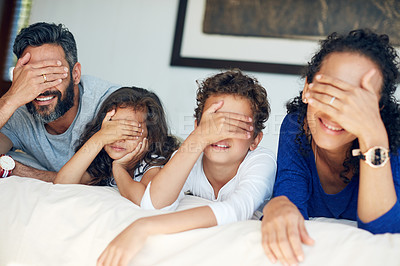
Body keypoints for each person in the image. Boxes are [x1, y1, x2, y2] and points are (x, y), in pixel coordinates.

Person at [96, 69, 277, 265]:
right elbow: (153, 203)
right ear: (197, 126)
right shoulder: (191, 155)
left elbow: (235, 210)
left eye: (236, 126)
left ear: (255, 140)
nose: (220, 134)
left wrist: (144, 226)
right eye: (214, 123)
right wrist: (200, 137)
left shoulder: (262, 161)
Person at [261, 29, 400, 265]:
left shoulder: (388, 143)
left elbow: (384, 231)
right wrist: (279, 204)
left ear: (378, 111)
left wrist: (373, 136)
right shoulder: (296, 127)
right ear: (307, 88)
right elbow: (291, 201)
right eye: (329, 90)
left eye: (356, 101)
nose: (337, 112)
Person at [0, 22, 120, 182]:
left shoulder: (111, 104)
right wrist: (12, 98)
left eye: (52, 73)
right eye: (32, 75)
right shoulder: (18, 113)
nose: (42, 88)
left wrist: (18, 170)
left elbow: (105, 179)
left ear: (76, 74)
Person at [54, 87, 180, 205]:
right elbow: (62, 184)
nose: (119, 139)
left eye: (130, 132)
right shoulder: (104, 159)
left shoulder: (154, 160)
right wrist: (99, 138)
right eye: (112, 129)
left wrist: (119, 168)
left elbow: (143, 198)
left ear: (151, 137)